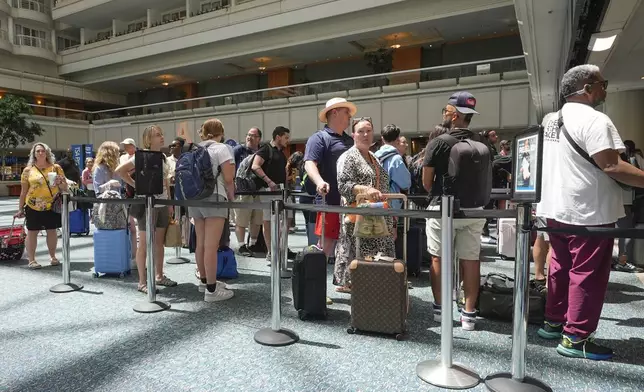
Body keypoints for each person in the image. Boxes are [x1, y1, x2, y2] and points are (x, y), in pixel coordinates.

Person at [536, 64, 644, 360]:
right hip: (588, 210)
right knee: (588, 274)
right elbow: (611, 165)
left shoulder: (550, 120)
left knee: (559, 266)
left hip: (555, 208)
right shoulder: (595, 120)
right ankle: (576, 337)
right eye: (602, 84)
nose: (604, 90)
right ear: (587, 87)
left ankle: (553, 322)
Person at [422, 91, 486, 331]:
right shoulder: (481, 141)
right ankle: (469, 315)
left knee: (439, 257)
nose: (445, 116)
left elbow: (428, 183)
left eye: (446, 112)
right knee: (471, 260)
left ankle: (441, 309)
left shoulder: (438, 142)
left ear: (455, 115)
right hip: (475, 210)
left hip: (443, 208)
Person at [334, 118, 395, 292]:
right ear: (353, 134)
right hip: (358, 218)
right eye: (361, 131)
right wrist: (365, 189)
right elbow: (343, 185)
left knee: (377, 254)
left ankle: (371, 286)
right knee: (359, 253)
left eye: (368, 130)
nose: (365, 134)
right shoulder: (348, 157)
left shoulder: (374, 157)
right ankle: (358, 287)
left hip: (378, 216)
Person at [115, 125, 177, 294]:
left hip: (162, 203)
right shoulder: (140, 156)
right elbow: (120, 171)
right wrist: (137, 185)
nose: (162, 137)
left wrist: (170, 203)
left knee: (159, 243)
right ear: (149, 139)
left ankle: (159, 275)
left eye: (161, 134)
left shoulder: (163, 156)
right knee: (144, 243)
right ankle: (142, 281)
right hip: (147, 204)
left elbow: (166, 182)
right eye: (157, 135)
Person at [189, 119, 236, 302]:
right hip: (215, 197)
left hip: (194, 199)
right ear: (221, 132)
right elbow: (229, 177)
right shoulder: (222, 148)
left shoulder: (194, 148)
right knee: (211, 245)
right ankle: (211, 290)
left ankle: (204, 281)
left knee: (201, 243)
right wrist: (231, 197)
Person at [304, 98, 356, 258]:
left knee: (351, 247)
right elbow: (309, 163)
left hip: (352, 203)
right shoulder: (319, 138)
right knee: (325, 247)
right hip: (330, 201)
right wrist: (319, 181)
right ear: (334, 112)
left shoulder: (350, 140)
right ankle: (315, 281)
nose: (350, 116)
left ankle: (345, 282)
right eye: (346, 112)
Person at [14, 143, 68, 269]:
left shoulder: (56, 168)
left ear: (47, 152)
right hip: (33, 205)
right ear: (34, 154)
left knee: (51, 230)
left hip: (52, 204)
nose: (40, 153)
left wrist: (61, 183)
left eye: (42, 151)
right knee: (32, 231)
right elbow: (23, 192)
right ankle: (31, 260)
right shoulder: (28, 170)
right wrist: (20, 208)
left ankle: (53, 256)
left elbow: (65, 188)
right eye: (37, 151)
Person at [251, 126, 291, 262]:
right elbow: (255, 166)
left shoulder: (281, 152)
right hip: (268, 191)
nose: (287, 140)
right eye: (286, 137)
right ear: (278, 137)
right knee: (268, 221)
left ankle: (278, 249)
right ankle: (270, 251)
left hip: (280, 191)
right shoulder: (266, 149)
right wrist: (269, 182)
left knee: (283, 220)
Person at [613, 140, 644, 272]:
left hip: (619, 201)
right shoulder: (631, 159)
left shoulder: (613, 160)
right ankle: (622, 261)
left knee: (618, 232)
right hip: (625, 202)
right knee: (624, 233)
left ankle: (618, 260)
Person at [233, 127, 263, 256]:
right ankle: (241, 245)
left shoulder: (262, 152)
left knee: (257, 220)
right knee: (241, 220)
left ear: (259, 139)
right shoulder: (239, 150)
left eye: (253, 135)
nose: (249, 137)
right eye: (248, 135)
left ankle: (253, 243)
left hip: (258, 191)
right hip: (242, 191)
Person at [375, 124, 411, 209]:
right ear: (398, 139)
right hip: (390, 203)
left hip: (375, 200)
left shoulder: (374, 156)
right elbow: (406, 183)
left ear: (382, 138)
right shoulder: (396, 159)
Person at [119, 137, 138, 262]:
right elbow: (121, 170)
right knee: (129, 220)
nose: (125, 148)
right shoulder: (122, 157)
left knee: (137, 221)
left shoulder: (138, 156)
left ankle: (136, 253)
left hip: (138, 186)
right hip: (127, 188)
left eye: (127, 145)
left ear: (133, 145)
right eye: (124, 145)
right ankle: (131, 253)